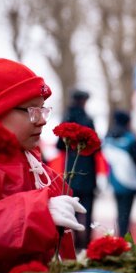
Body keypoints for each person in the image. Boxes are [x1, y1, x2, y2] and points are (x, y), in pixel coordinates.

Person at [0, 58, 84, 273]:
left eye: (43, 109)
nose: (42, 121)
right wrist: (37, 213)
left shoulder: (34, 167)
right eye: (31, 111)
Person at [57, 88, 97, 250]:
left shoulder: (67, 118)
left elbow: (59, 146)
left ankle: (70, 241)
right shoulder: (87, 120)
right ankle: (85, 242)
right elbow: (96, 146)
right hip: (86, 171)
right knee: (86, 209)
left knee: (69, 207)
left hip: (71, 172)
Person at [103, 110, 136, 236]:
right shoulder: (130, 138)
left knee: (120, 210)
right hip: (130, 179)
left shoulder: (108, 138)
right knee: (126, 211)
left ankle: (120, 235)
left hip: (115, 179)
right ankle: (124, 237)